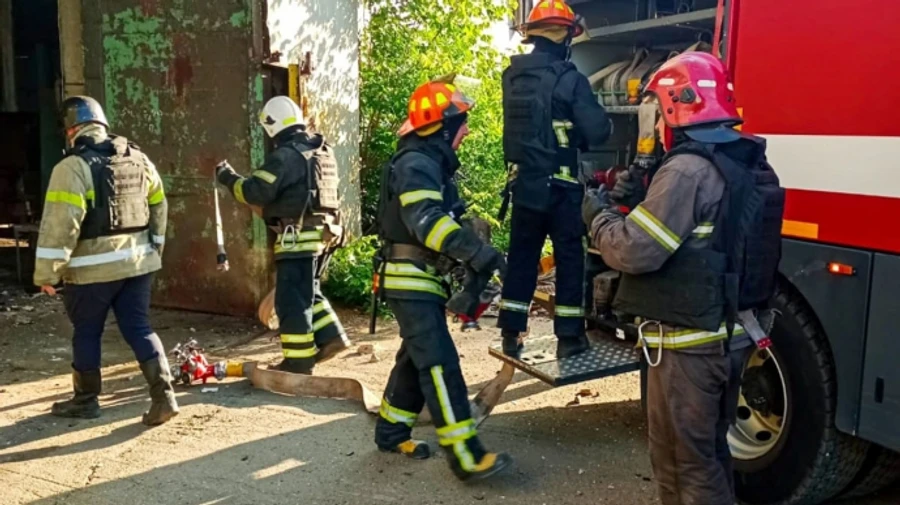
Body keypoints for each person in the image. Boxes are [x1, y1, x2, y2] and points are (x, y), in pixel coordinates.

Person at [582, 52, 784, 505]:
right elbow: (707, 235)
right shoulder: (746, 159)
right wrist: (642, 195)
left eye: (655, 109)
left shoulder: (688, 170)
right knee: (710, 456)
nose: (652, 123)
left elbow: (633, 250)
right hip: (730, 336)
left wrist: (598, 217)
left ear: (675, 107)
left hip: (688, 348)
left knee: (683, 466)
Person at [374, 76, 512, 481]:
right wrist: (476, 252)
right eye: (461, 123)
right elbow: (426, 224)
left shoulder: (427, 162)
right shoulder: (417, 163)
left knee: (414, 357)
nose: (466, 130)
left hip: (419, 278)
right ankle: (466, 455)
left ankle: (391, 429)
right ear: (441, 126)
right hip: (410, 278)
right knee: (438, 363)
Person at [34, 96, 178, 426]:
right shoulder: (139, 159)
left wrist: (48, 274)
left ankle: (86, 401)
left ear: (71, 130)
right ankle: (164, 397)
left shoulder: (71, 168)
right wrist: (154, 249)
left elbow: (60, 226)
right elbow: (159, 205)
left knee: (86, 332)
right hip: (139, 265)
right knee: (139, 328)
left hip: (91, 273)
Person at [498, 0, 612, 359]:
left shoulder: (511, 76)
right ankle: (570, 339)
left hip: (525, 187)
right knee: (569, 260)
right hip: (562, 191)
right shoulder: (570, 79)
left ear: (533, 36)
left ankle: (511, 334)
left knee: (521, 259)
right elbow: (599, 132)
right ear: (564, 37)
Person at [216, 96, 350, 375]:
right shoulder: (322, 150)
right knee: (308, 292)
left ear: (271, 127)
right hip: (323, 236)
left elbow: (254, 192)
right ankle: (332, 337)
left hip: (296, 238)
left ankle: (298, 362)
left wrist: (228, 177)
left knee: (291, 302)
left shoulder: (285, 156)